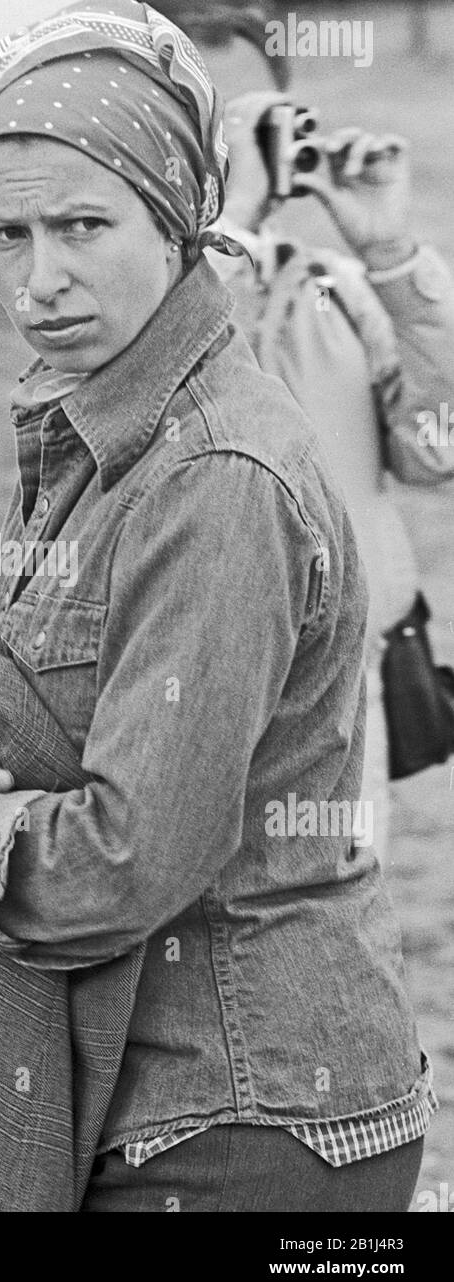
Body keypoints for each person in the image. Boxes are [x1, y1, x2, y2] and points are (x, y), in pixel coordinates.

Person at [0, 0, 435, 1211]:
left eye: (82, 224)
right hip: (164, 1106)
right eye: (3, 233)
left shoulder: (211, 475)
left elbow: (120, 865)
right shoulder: (91, 431)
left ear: (180, 217)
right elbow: (12, 655)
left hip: (244, 1123)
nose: (39, 279)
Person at [208, 88, 454, 871]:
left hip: (346, 692)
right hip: (198, 683)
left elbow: (438, 453)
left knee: (329, 933)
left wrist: (391, 257)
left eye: (268, 119)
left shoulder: (338, 288)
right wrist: (235, 218)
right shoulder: (137, 304)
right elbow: (171, 382)